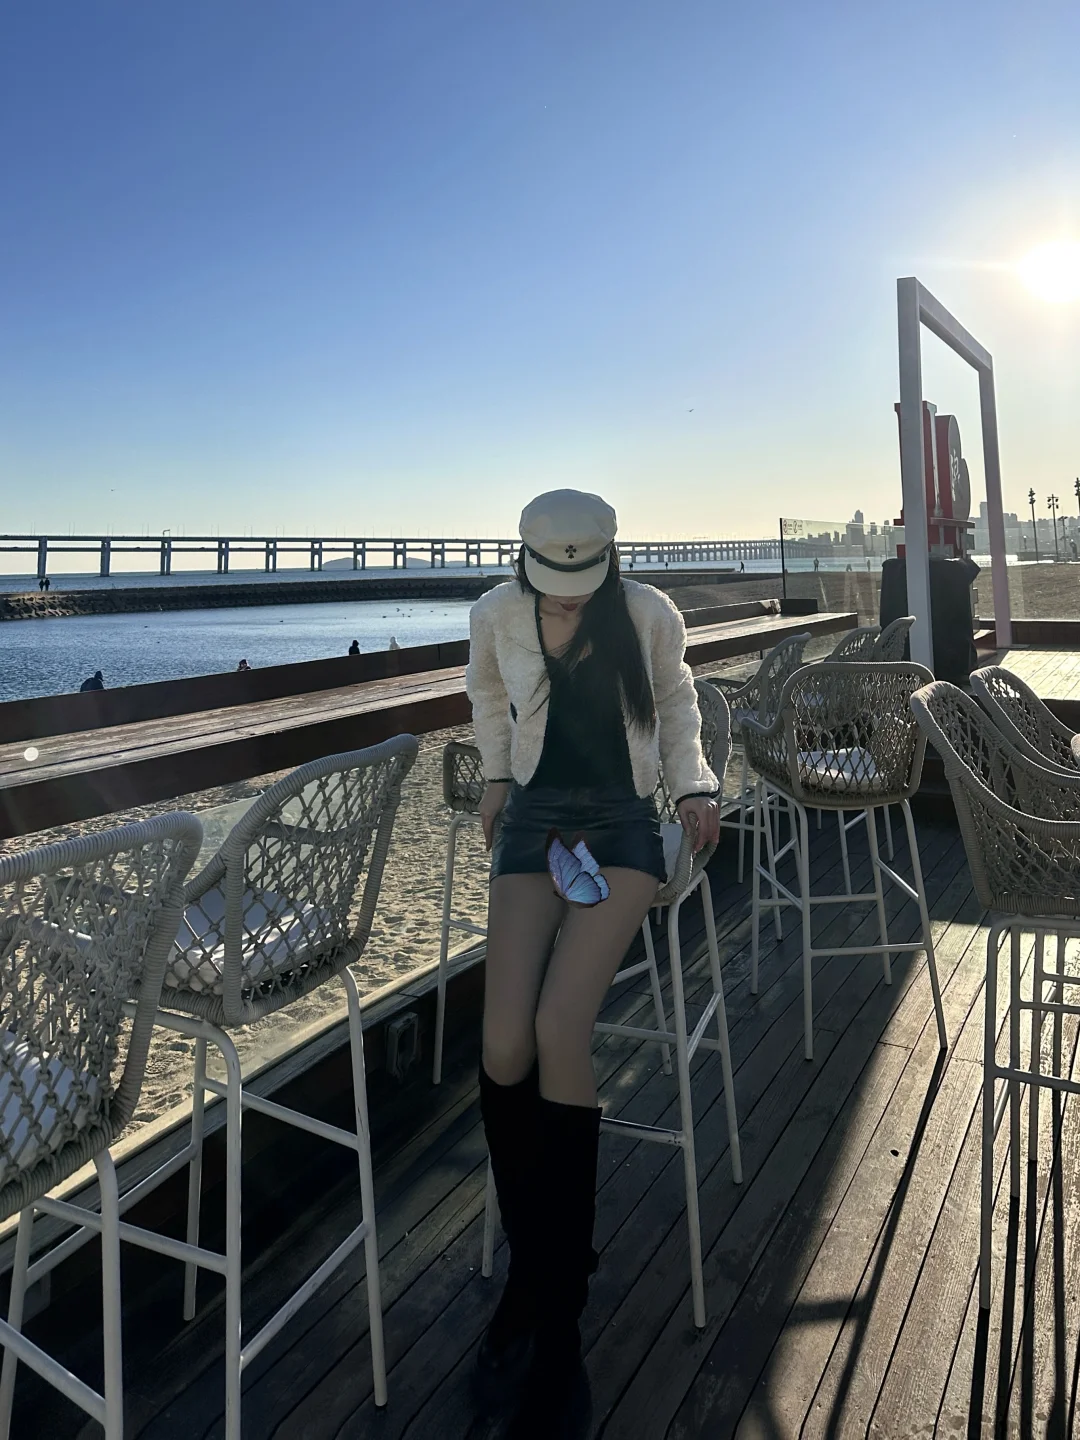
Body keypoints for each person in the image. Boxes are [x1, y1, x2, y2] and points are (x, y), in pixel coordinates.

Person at [466, 489, 719, 1438]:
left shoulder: (647, 613)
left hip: (621, 824)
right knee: (502, 1044)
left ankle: (556, 1310)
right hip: (535, 820)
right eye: (551, 581)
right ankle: (540, 1268)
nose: (565, 596)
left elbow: (679, 702)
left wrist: (693, 786)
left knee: (559, 1026)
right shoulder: (496, 613)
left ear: (611, 557)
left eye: (580, 579)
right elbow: (485, 695)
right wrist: (497, 777)